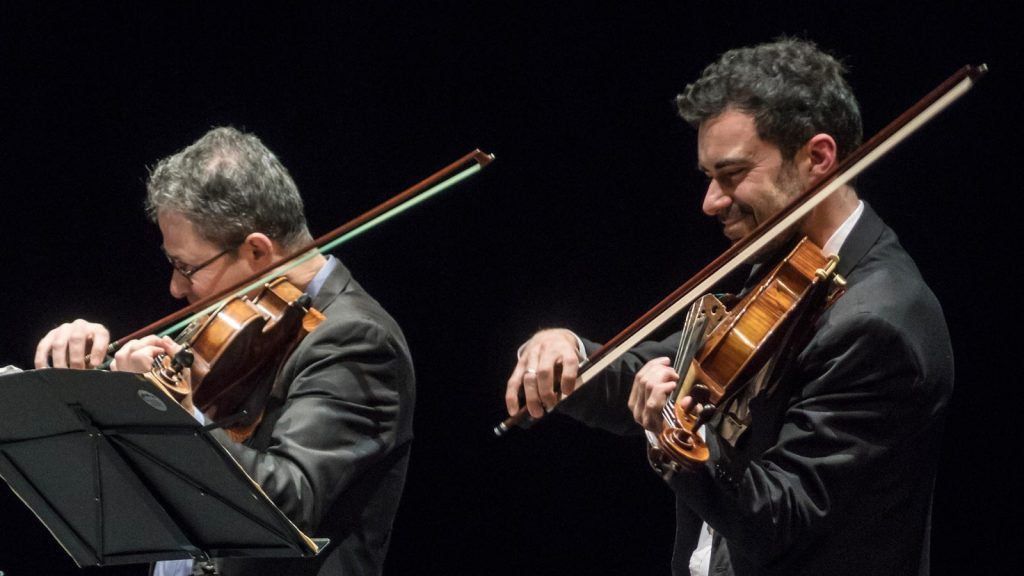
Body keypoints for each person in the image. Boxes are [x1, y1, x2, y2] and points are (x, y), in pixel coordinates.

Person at [505, 38, 953, 576]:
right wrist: (570, 351)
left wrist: (673, 439)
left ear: (818, 158)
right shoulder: (785, 266)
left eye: (732, 174)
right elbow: (664, 370)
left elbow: (779, 521)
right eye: (708, 177)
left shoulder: (877, 325)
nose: (711, 202)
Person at [35, 126, 415, 576]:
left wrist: (169, 410)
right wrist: (94, 383)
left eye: (186, 267)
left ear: (256, 250)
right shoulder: (244, 324)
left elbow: (289, 501)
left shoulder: (356, 339)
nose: (175, 288)